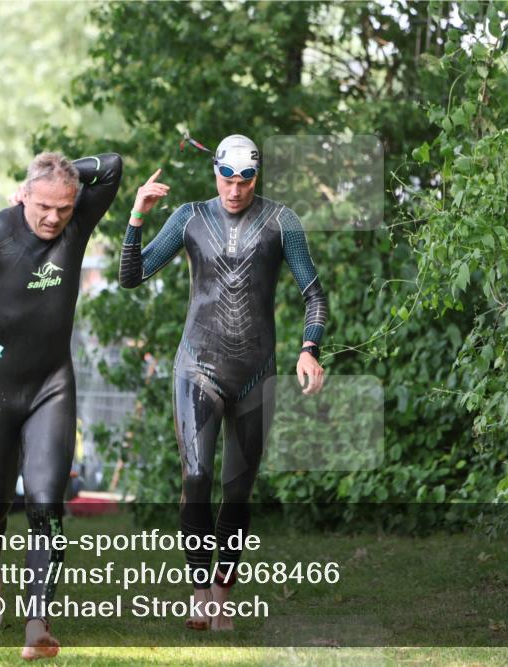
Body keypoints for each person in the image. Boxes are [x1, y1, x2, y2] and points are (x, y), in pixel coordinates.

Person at [118, 134, 328, 630]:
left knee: (237, 490)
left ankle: (223, 593)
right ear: (215, 172)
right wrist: (136, 216)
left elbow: (314, 294)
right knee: (196, 479)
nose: (235, 190)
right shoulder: (190, 217)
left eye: (246, 179)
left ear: (258, 175)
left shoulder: (282, 221)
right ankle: (199, 591)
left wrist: (308, 349)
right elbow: (132, 276)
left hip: (256, 372)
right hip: (197, 367)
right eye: (227, 178)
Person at [0, 151, 121, 659]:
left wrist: (62, 175)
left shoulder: (77, 223)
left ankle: (38, 623)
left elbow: (114, 165)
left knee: (46, 503)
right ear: (24, 195)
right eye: (44, 206)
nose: (54, 218)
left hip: (52, 385)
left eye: (64, 207)